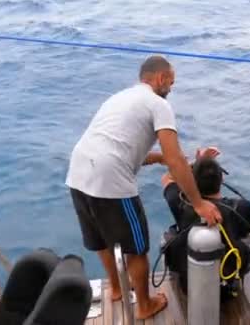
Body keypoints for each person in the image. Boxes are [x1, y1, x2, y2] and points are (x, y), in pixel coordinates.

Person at [65, 55, 222, 319]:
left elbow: (121, 146)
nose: (171, 88)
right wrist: (198, 203)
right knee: (137, 248)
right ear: (160, 78)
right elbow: (174, 156)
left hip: (79, 171)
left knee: (101, 239)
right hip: (111, 179)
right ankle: (145, 305)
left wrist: (159, 159)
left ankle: (116, 288)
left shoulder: (121, 98)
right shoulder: (158, 104)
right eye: (171, 83)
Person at [160, 147, 250, 297]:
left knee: (168, 236)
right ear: (222, 179)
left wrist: (195, 163)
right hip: (229, 286)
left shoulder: (181, 203)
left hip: (191, 287)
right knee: (249, 239)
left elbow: (167, 179)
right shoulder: (241, 207)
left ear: (192, 180)